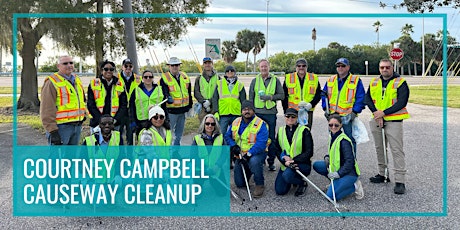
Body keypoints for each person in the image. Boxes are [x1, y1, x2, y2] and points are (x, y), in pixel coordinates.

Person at [365, 59, 410, 195]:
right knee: (380, 148)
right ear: (379, 69)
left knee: (396, 150)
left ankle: (400, 181)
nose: (385, 70)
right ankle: (382, 174)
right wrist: (376, 114)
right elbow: (368, 99)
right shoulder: (374, 82)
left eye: (387, 67)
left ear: (392, 68)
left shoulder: (400, 82)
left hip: (394, 121)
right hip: (376, 119)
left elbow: (402, 102)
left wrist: (383, 113)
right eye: (382, 67)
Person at [313, 113, 364, 201]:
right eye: (330, 125)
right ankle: (335, 183)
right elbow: (334, 153)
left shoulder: (344, 141)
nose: (333, 127)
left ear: (341, 125)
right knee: (317, 165)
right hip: (337, 168)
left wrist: (339, 174)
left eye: (336, 125)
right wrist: (327, 157)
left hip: (349, 173)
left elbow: (350, 162)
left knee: (330, 197)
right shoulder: (332, 137)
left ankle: (354, 186)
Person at [224, 100, 269, 198]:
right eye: (244, 109)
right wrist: (233, 146)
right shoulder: (236, 122)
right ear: (241, 111)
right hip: (240, 155)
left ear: (253, 111)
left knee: (254, 162)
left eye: (249, 109)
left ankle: (259, 184)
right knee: (240, 184)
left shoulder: (260, 123)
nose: (246, 111)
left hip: (256, 153)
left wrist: (249, 154)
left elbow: (261, 143)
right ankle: (248, 171)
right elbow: (227, 136)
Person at [322, 58, 365, 154]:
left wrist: (355, 112)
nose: (340, 68)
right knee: (333, 139)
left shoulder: (355, 80)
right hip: (333, 116)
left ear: (348, 67)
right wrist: (325, 108)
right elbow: (324, 95)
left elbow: (361, 98)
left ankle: (351, 163)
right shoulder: (331, 80)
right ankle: (334, 161)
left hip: (347, 117)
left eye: (343, 66)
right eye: (338, 66)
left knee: (349, 140)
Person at [40, 55, 86, 145]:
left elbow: (82, 100)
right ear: (58, 66)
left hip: (77, 126)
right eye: (65, 63)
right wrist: (52, 131)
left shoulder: (77, 80)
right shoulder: (51, 82)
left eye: (71, 63)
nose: (69, 65)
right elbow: (46, 108)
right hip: (61, 128)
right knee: (57, 157)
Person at [249, 59, 284, 171]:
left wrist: (270, 97)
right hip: (258, 113)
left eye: (265, 66)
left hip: (270, 113)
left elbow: (282, 95)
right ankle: (260, 159)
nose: (264, 68)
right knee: (257, 138)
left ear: (269, 67)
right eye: (262, 67)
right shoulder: (255, 80)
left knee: (271, 138)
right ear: (259, 68)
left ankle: (271, 161)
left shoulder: (275, 80)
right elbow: (251, 97)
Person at [274, 108, 314, 197]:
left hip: (301, 164)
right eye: (288, 116)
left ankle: (302, 183)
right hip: (286, 164)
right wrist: (283, 160)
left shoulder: (304, 130)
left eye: (293, 116)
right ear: (284, 117)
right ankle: (293, 179)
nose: (290, 118)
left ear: (297, 118)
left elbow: (309, 152)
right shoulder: (281, 130)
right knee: (280, 191)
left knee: (287, 176)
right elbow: (277, 149)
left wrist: (293, 161)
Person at [159, 57, 192, 145]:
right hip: (171, 111)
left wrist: (190, 106)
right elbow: (163, 92)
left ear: (179, 66)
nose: (175, 67)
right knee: (168, 132)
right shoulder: (165, 78)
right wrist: (167, 96)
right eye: (172, 65)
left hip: (183, 110)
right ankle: (167, 151)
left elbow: (188, 92)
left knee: (179, 134)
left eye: (176, 65)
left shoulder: (185, 76)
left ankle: (176, 151)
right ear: (169, 66)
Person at [87, 60, 127, 132]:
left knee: (114, 142)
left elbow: (124, 105)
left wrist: (115, 120)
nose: (109, 71)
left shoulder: (120, 84)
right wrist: (100, 119)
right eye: (106, 69)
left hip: (114, 123)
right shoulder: (93, 84)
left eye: (111, 69)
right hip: (97, 122)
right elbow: (90, 104)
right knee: (96, 142)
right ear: (102, 70)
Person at [192, 114, 226, 196]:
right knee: (196, 195)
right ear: (204, 124)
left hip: (215, 170)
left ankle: (213, 182)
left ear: (215, 125)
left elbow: (224, 154)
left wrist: (217, 166)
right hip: (201, 170)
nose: (210, 126)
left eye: (212, 124)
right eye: (207, 123)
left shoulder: (220, 138)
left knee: (223, 193)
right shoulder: (197, 139)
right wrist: (205, 168)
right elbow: (193, 156)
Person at [82, 115, 123, 184]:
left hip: (112, 181)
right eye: (103, 124)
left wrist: (118, 175)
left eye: (110, 123)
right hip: (94, 182)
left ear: (113, 125)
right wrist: (85, 177)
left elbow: (121, 159)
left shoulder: (118, 138)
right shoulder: (89, 141)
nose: (107, 126)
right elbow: (81, 161)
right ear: (99, 125)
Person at [282, 58, 321, 129]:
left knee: (306, 132)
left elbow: (318, 94)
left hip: (308, 110)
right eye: (299, 66)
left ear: (306, 67)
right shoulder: (289, 78)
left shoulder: (314, 78)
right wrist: (286, 111)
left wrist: (311, 104)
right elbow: (284, 96)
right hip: (293, 111)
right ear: (296, 67)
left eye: (303, 66)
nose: (301, 67)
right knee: (292, 132)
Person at [129, 70, 168, 141]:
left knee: (157, 140)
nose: (148, 79)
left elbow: (164, 106)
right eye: (145, 77)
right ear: (142, 78)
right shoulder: (136, 90)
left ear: (153, 78)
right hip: (142, 121)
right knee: (143, 141)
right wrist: (132, 121)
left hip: (156, 119)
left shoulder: (160, 89)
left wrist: (166, 118)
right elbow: (132, 107)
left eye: (150, 77)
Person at [211, 65, 246, 134]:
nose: (230, 72)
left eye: (232, 70)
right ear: (225, 73)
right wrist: (215, 111)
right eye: (227, 71)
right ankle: (223, 145)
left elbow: (243, 100)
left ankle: (233, 145)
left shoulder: (240, 85)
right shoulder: (219, 83)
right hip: (223, 113)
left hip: (236, 113)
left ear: (235, 72)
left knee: (235, 134)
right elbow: (215, 98)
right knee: (221, 134)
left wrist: (244, 112)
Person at [117, 58, 142, 145]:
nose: (128, 68)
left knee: (131, 136)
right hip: (119, 111)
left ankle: (130, 156)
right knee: (118, 136)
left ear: (133, 67)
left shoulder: (139, 79)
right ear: (122, 67)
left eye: (130, 66)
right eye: (126, 66)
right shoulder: (116, 79)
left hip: (132, 112)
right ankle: (120, 156)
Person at [194, 57, 220, 121]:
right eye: (205, 63)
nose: (207, 65)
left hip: (215, 106)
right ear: (203, 64)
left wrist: (210, 101)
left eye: (209, 63)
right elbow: (196, 92)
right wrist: (203, 102)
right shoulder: (199, 78)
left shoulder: (218, 78)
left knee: (214, 125)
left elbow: (220, 92)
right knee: (203, 125)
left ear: (212, 64)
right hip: (203, 106)